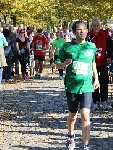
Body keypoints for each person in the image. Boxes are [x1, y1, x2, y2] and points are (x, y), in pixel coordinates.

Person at [56, 21, 99, 150]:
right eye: (79, 30)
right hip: (72, 86)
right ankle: (71, 137)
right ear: (74, 32)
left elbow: (93, 63)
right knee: (73, 115)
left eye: (84, 29)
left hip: (86, 85)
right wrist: (64, 65)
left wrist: (96, 78)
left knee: (85, 115)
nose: (83, 31)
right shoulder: (67, 47)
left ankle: (86, 146)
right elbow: (57, 63)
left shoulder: (91, 46)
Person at [87, 18, 112, 111]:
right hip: (92, 63)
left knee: (104, 81)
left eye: (98, 25)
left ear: (100, 26)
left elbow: (110, 47)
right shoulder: (88, 36)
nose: (96, 27)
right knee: (93, 81)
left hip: (104, 62)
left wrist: (109, 56)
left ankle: (104, 101)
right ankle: (95, 101)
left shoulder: (105, 35)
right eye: (94, 26)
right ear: (92, 26)